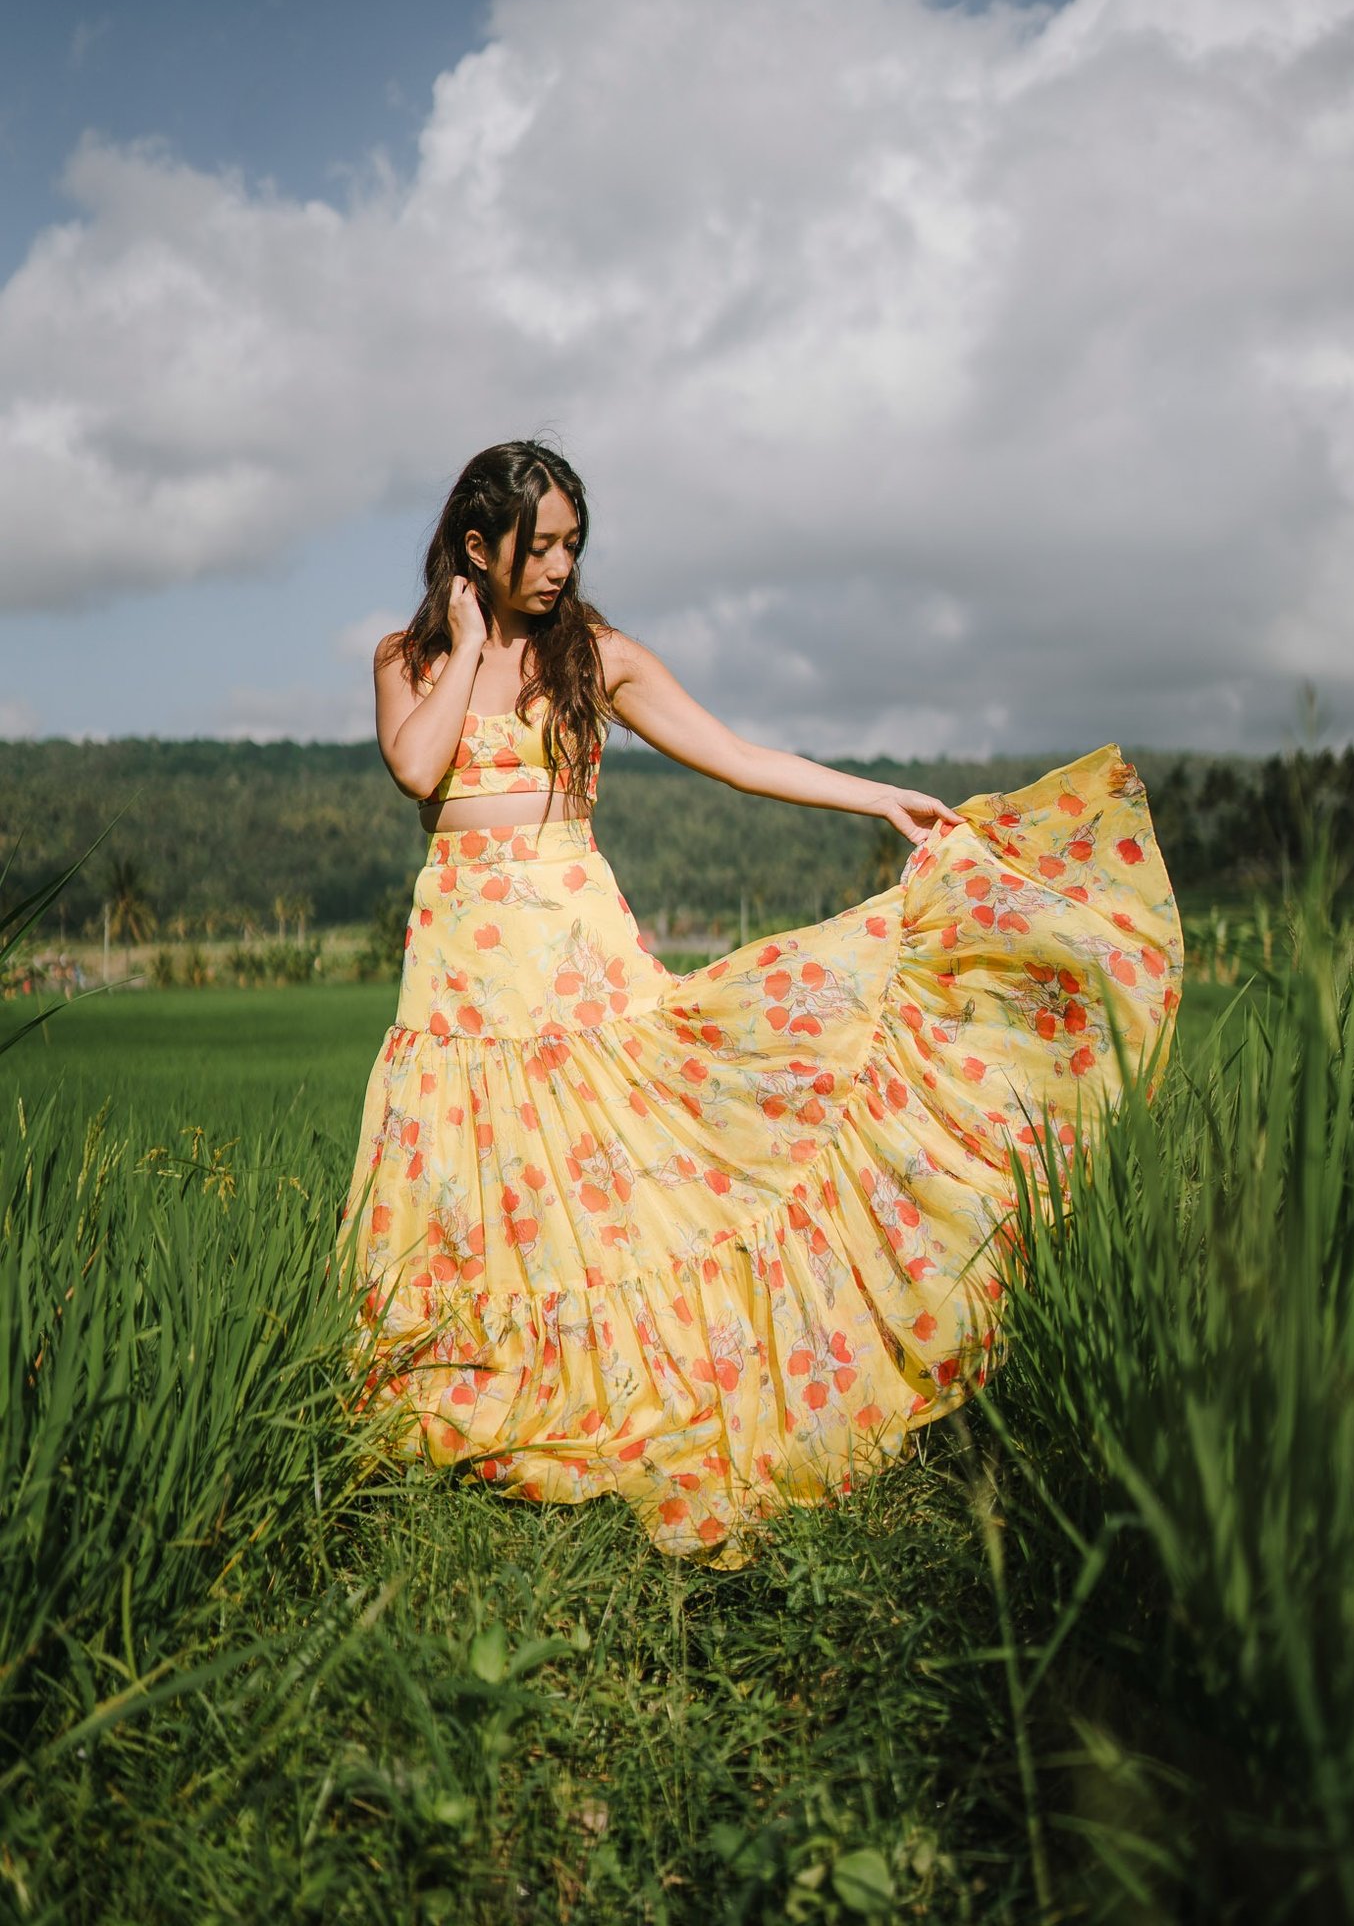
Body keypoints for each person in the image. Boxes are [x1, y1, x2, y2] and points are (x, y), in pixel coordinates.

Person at [342, 439, 1182, 1565]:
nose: (556, 567)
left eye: (571, 546)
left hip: (579, 961)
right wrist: (470, 640)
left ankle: (645, 1383)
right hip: (460, 978)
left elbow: (733, 754)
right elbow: (415, 766)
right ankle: (488, 1382)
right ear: (477, 546)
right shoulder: (411, 658)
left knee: (630, 1189)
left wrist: (876, 797)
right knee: (476, 1180)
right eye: (534, 547)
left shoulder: (595, 656)